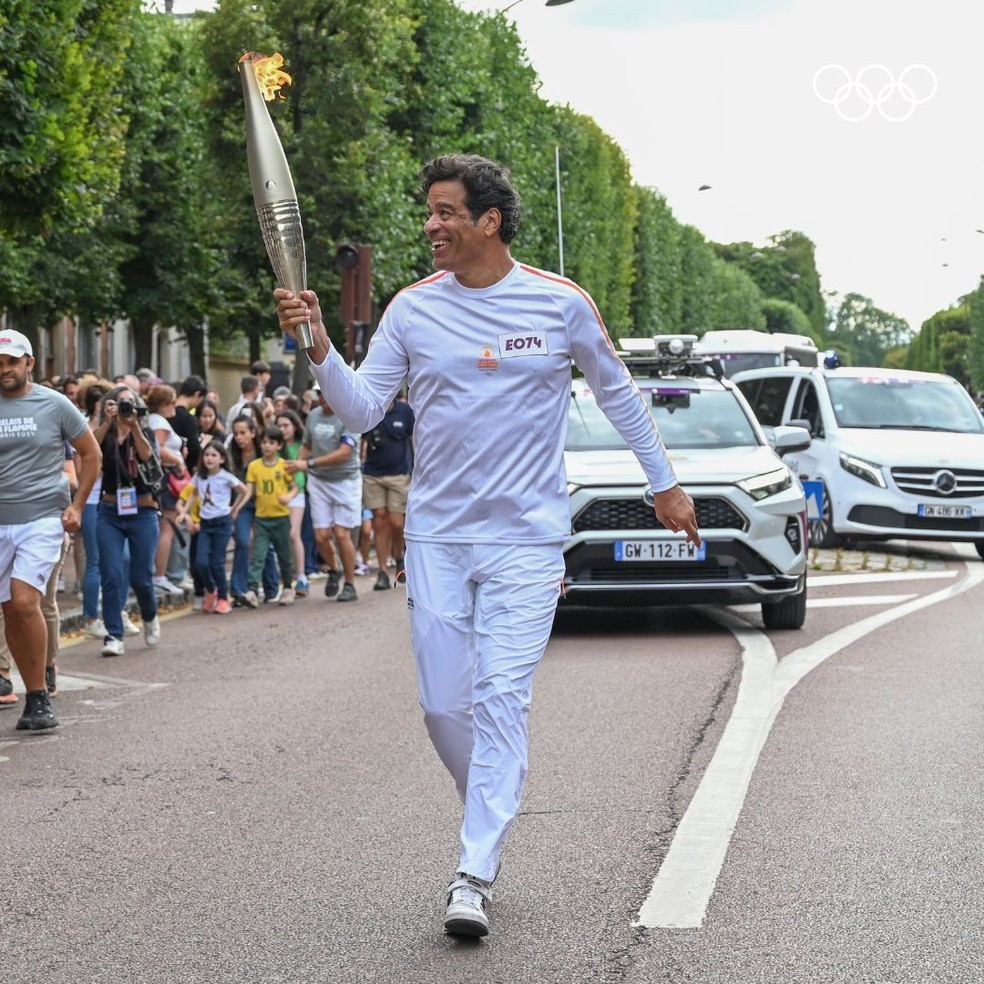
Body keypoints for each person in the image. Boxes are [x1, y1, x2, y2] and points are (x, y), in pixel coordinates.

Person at [275, 153, 700, 938]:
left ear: (488, 221)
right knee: (443, 705)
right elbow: (365, 412)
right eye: (429, 212)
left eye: (444, 212)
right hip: (438, 535)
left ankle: (473, 871)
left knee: (501, 695)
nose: (430, 225)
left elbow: (619, 393)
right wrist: (320, 347)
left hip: (528, 539)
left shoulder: (560, 303)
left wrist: (663, 485)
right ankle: (494, 801)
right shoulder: (412, 310)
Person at [0, 329, 101, 730]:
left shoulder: (55, 404)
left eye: (11, 361)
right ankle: (29, 688)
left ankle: (39, 696)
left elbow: (90, 454)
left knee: (24, 602)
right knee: (10, 609)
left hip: (42, 518)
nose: (4, 369)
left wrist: (77, 506)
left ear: (29, 363)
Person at [93, 386, 164, 657]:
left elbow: (148, 459)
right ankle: (113, 635)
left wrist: (133, 426)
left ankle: (149, 615)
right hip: (110, 511)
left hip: (143, 512)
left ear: (137, 407)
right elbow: (91, 450)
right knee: (110, 573)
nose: (124, 409)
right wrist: (108, 422)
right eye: (118, 404)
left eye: (128, 404)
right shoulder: (106, 432)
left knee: (141, 577)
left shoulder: (143, 431)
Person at [286, 384, 361, 603]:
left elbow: (344, 453)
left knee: (341, 533)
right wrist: (297, 466)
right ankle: (335, 569)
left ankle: (349, 583)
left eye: (328, 393)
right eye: (321, 394)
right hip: (319, 481)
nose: (324, 398)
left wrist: (307, 464)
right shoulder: (313, 417)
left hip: (345, 481)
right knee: (321, 536)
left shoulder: (350, 416)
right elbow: (307, 446)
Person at [177, 441, 250, 615]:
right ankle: (211, 590)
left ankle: (224, 598)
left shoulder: (226, 476)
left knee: (217, 562)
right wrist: (184, 513)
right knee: (200, 562)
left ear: (222, 459)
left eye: (214, 455)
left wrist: (235, 509)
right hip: (205, 523)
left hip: (222, 522)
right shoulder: (199, 476)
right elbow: (194, 494)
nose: (209, 458)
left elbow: (245, 491)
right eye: (207, 455)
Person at [239, 425, 297, 608]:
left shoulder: (284, 466)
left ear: (279, 445)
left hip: (280, 518)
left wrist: (288, 496)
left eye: (271, 443)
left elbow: (295, 487)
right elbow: (248, 491)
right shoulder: (254, 466)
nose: (267, 446)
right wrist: (236, 507)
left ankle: (288, 587)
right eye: (264, 442)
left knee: (285, 556)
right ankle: (252, 591)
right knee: (259, 556)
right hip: (262, 519)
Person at [361, 396, 414, 590]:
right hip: (373, 475)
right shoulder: (371, 409)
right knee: (379, 521)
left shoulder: (405, 411)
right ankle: (383, 571)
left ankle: (399, 556)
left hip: (399, 475)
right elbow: (362, 440)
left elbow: (413, 439)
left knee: (397, 522)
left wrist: (416, 469)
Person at [227, 415, 281, 605]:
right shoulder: (230, 452)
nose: (239, 437)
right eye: (236, 434)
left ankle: (271, 587)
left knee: (263, 544)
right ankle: (239, 591)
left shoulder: (264, 450)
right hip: (241, 504)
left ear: (252, 433)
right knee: (242, 541)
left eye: (243, 433)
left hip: (263, 503)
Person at [145, 383, 190, 597]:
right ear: (162, 404)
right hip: (167, 480)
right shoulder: (159, 422)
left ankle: (157, 575)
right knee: (167, 530)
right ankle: (159, 577)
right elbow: (158, 450)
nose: (174, 406)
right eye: (171, 402)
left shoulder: (153, 421)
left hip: (162, 480)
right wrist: (179, 460)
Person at [276, 409, 309, 597]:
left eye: (286, 425)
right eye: (279, 426)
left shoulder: (302, 444)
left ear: (294, 426)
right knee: (280, 537)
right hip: (277, 495)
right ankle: (283, 577)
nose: (282, 429)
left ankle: (302, 576)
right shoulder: (274, 444)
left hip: (297, 494)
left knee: (293, 533)